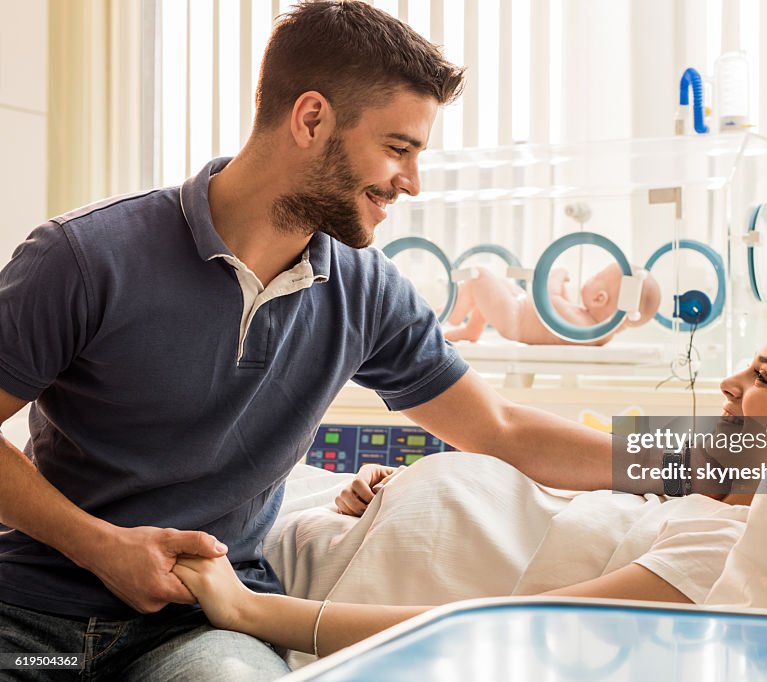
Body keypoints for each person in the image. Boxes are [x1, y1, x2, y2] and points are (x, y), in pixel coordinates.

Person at [0, 3, 614, 679]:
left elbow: (500, 429)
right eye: (398, 148)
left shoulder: (367, 291)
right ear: (312, 118)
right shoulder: (85, 257)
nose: (411, 181)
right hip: (31, 625)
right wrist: (99, 547)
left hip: (195, 633)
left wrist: (705, 459)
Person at [173, 308, 767, 662]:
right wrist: (388, 482)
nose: (730, 382)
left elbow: (483, 624)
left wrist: (255, 611)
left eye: (762, 378)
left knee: (157, 505)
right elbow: (524, 463)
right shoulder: (694, 482)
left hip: (302, 572)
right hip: (337, 513)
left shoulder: (719, 548)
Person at [444, 263, 662, 346]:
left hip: (515, 317)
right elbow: (560, 312)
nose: (591, 277)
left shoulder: (586, 326)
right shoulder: (593, 330)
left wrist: (556, 274)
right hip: (518, 309)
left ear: (600, 298)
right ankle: (471, 331)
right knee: (498, 285)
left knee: (480, 275)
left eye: (596, 276)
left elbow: (549, 299)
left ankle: (450, 318)